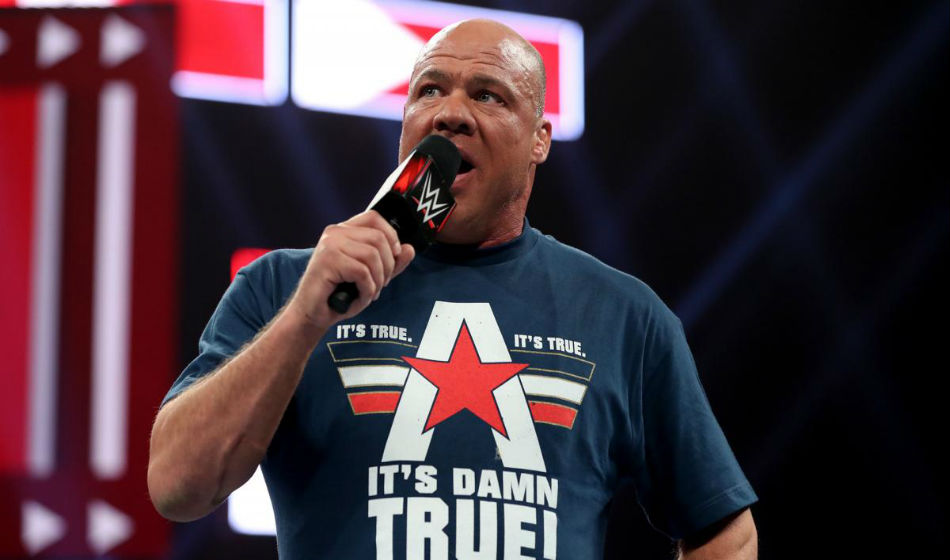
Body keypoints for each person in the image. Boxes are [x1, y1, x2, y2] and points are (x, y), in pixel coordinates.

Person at [148, 19, 758, 560]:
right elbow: (178, 487)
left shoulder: (623, 315)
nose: (450, 113)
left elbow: (724, 531)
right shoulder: (283, 287)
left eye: (488, 95)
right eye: (429, 90)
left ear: (539, 139)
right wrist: (304, 318)